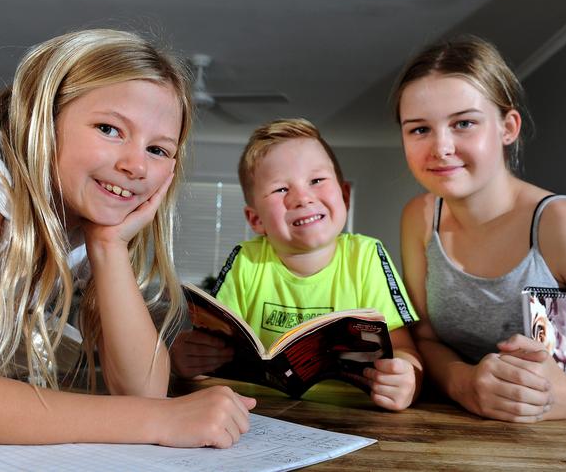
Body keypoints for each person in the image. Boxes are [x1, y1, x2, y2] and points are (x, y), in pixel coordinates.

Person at [0, 28, 255, 447]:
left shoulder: (79, 220)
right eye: (109, 128)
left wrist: (108, 246)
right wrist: (160, 422)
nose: (136, 165)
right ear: (42, 119)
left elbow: (144, 390)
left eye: (158, 150)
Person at [172, 118, 422, 411]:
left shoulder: (367, 256)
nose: (302, 198)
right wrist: (184, 359)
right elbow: (210, 349)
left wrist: (408, 380)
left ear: (344, 195)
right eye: (280, 190)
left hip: (353, 416)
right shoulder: (246, 259)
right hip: (259, 413)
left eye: (316, 181)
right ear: (256, 220)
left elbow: (405, 350)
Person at [396, 35, 566, 422]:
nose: (441, 147)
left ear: (508, 127)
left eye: (463, 123)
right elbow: (425, 339)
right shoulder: (418, 218)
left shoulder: (564, 225)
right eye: (419, 130)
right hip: (451, 439)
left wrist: (554, 397)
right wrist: (466, 384)